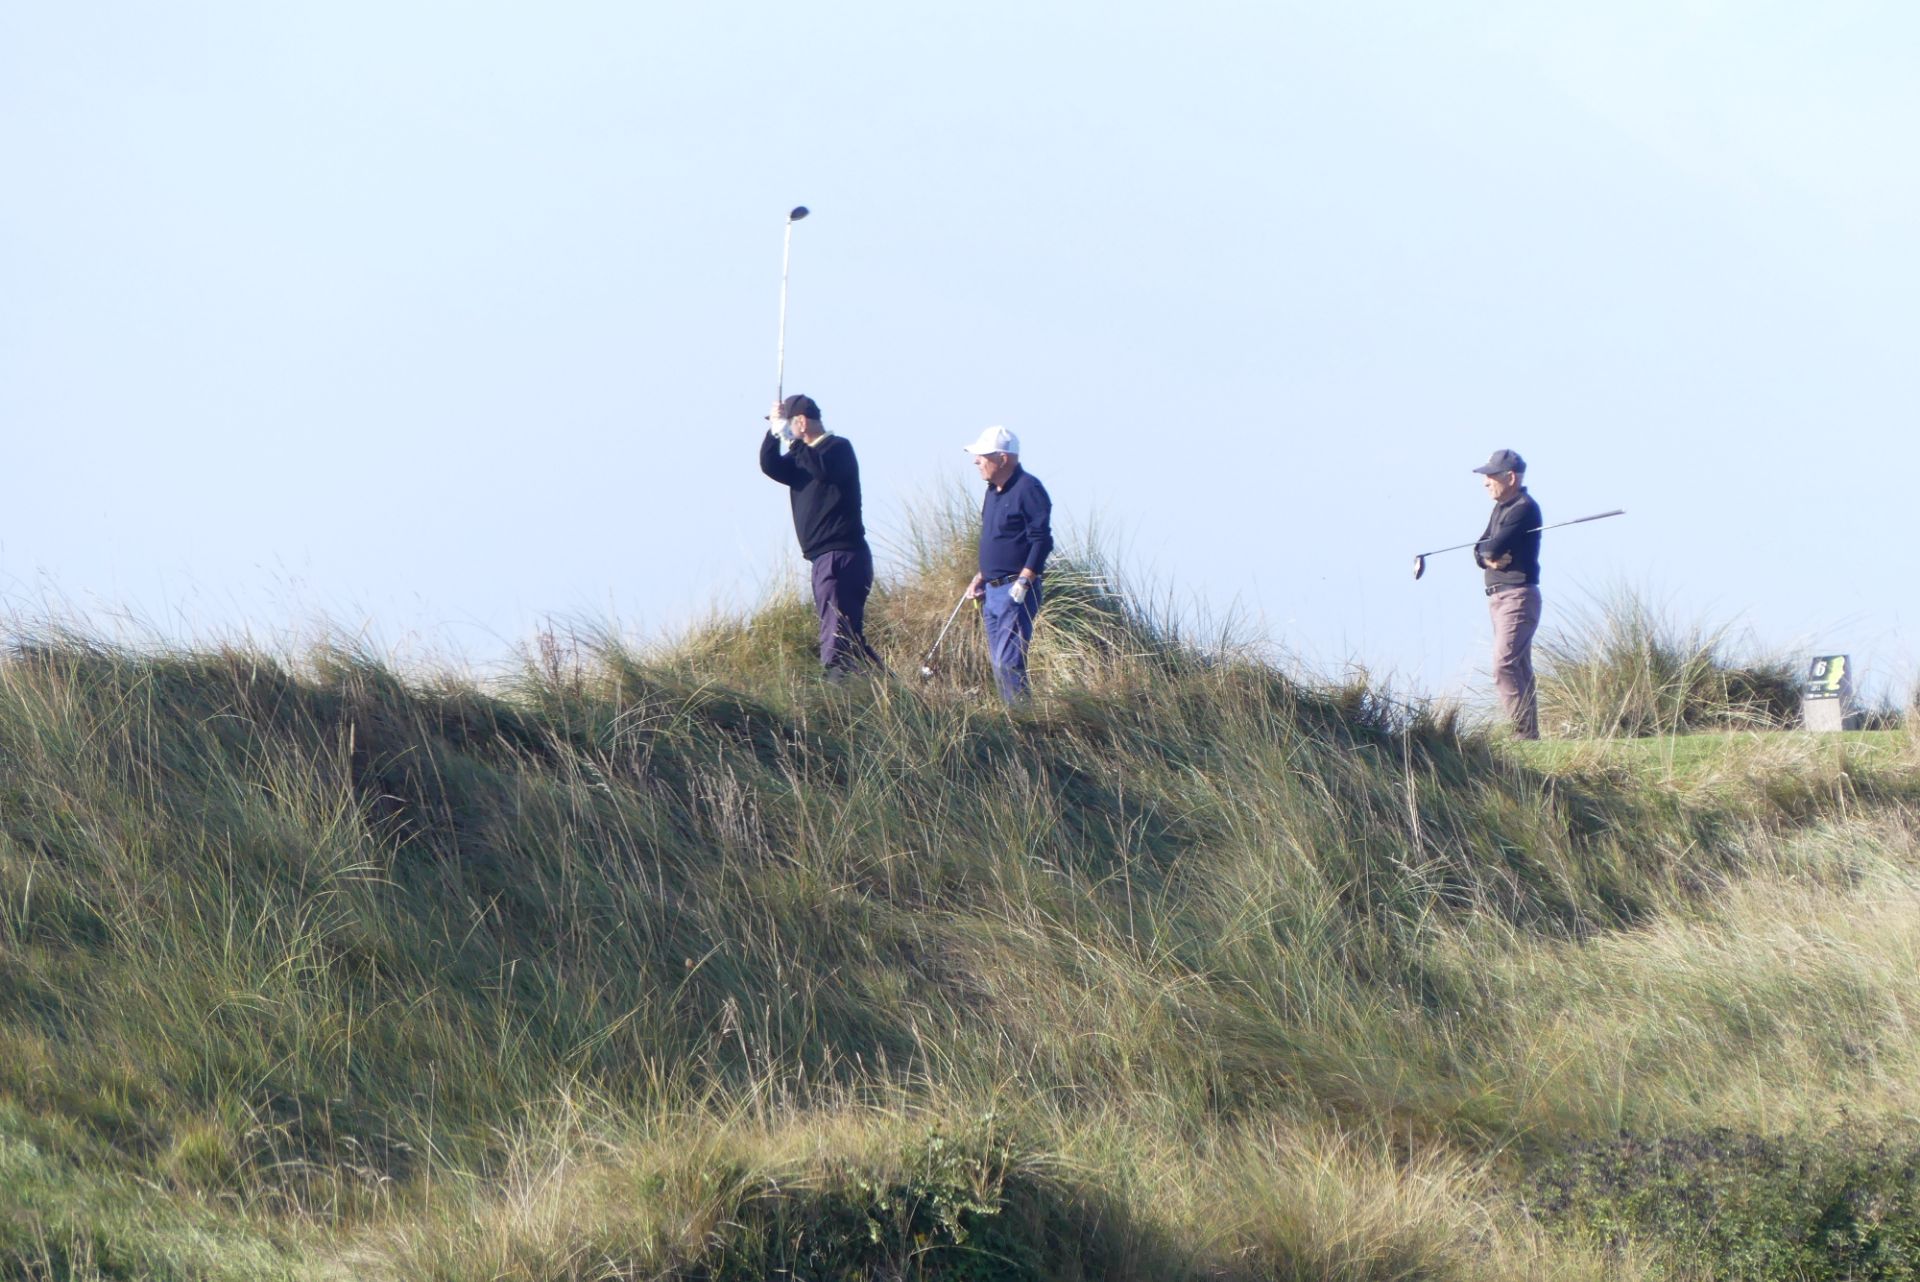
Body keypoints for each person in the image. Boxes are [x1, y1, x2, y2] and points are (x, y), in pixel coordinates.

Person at [758, 394, 883, 678]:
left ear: (801, 422)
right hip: (823, 559)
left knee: (838, 638)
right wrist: (773, 433)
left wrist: (791, 441)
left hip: (840, 556)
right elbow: (770, 465)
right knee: (850, 637)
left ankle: (838, 690)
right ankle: (889, 690)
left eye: (788, 425)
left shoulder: (837, 449)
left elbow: (822, 470)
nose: (786, 431)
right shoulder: (799, 459)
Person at [962, 426, 1053, 703]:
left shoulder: (1028, 488)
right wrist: (981, 576)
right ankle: (1013, 715)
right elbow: (999, 539)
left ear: (1002, 458)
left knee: (1009, 661)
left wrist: (1025, 580)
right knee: (999, 663)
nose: (976, 461)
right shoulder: (992, 492)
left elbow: (1041, 541)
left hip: (1015, 590)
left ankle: (1020, 718)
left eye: (982, 455)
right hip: (992, 591)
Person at [1472, 448, 1543, 739]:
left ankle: (1523, 733)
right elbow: (1479, 549)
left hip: (1517, 596)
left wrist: (1487, 555)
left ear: (1510, 477)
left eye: (1491, 476)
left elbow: (1492, 547)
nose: (1485, 482)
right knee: (1518, 665)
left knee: (1504, 664)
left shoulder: (1523, 508)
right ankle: (1529, 733)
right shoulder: (1501, 508)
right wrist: (1486, 559)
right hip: (1499, 597)